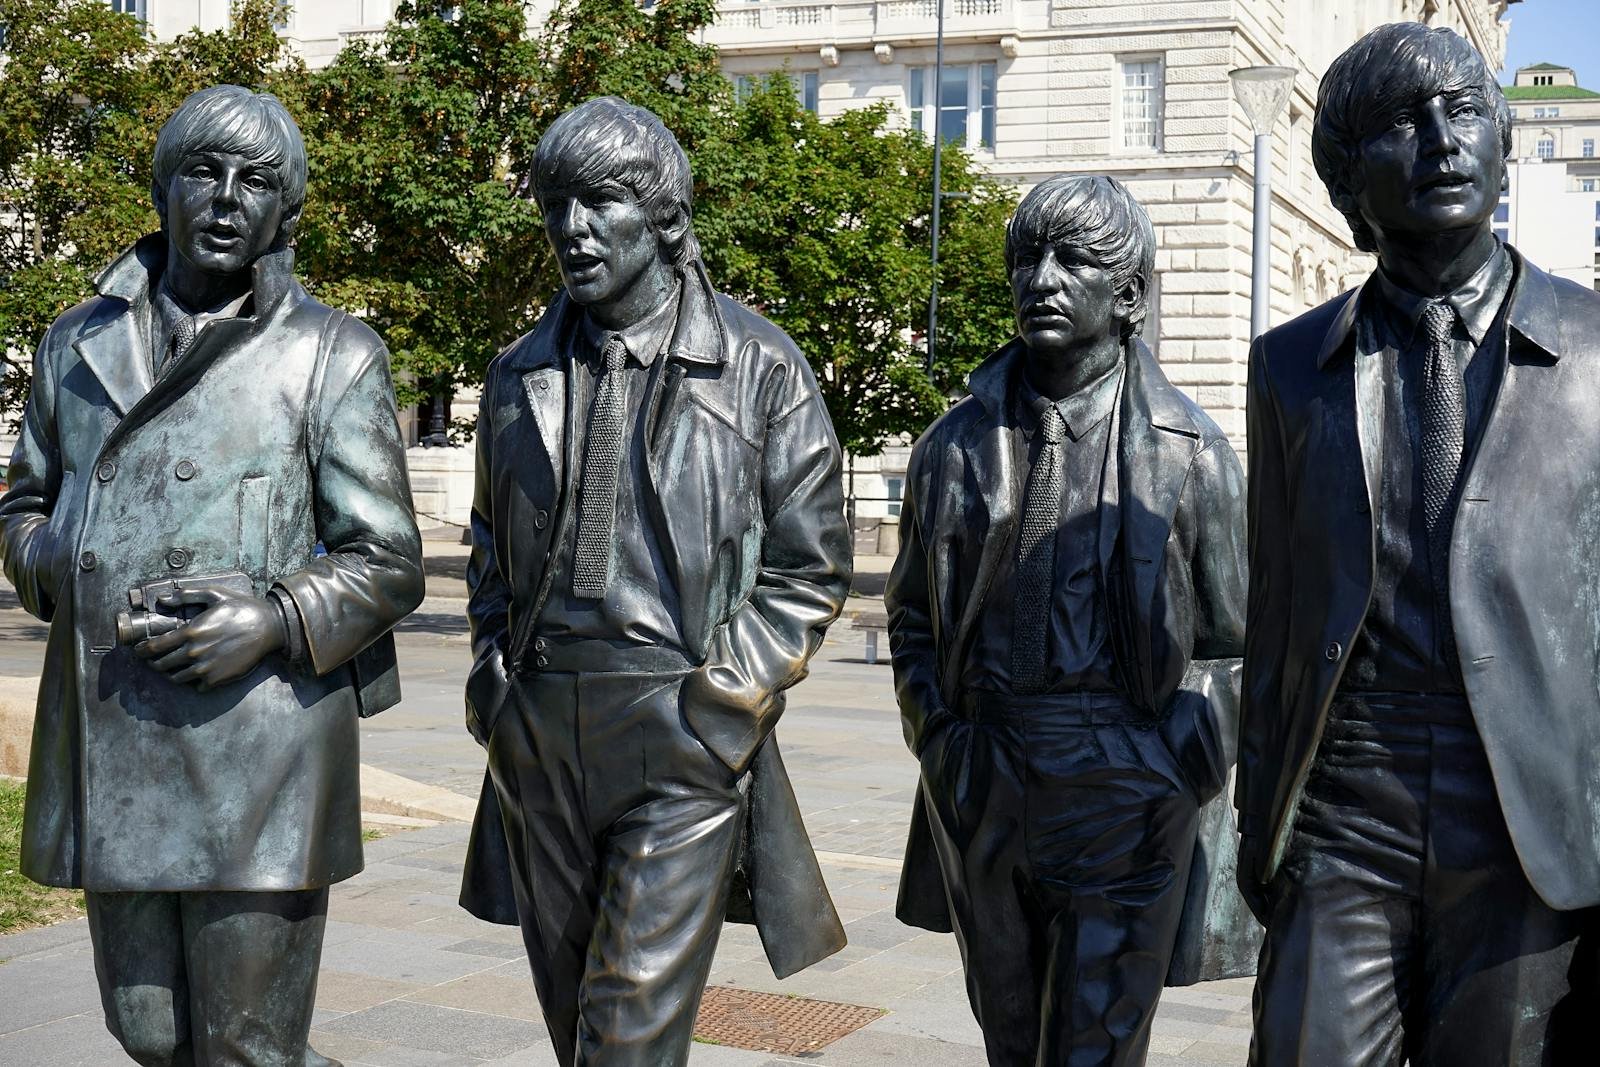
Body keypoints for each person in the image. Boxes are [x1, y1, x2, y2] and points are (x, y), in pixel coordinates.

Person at [0, 84, 424, 1067]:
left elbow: (389, 559)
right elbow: (22, 502)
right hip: (118, 730)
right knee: (146, 1029)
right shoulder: (74, 341)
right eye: (205, 170)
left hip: (263, 737)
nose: (228, 197)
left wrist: (276, 616)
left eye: (259, 181)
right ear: (162, 184)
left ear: (286, 210)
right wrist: (50, 553)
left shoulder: (331, 354)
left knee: (244, 1044)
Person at [455, 96, 851, 1066]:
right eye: (556, 204)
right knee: (576, 1026)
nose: (572, 230)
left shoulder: (758, 367)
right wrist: (489, 677)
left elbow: (811, 564)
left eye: (599, 203)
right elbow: (485, 542)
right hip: (539, 731)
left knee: (623, 1035)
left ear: (664, 217)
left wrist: (722, 700)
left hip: (676, 729)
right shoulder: (517, 375)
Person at [1238, 23, 1600, 1064]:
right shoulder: (1289, 366)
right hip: (1348, 804)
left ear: (1500, 142)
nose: (1442, 140)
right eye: (1403, 121)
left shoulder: (1589, 349)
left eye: (1465, 112)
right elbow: (1275, 611)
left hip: (1532, 816)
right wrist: (1261, 825)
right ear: (1349, 177)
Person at [889, 174, 1249, 1067]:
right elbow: (909, 619)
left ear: (1127, 295)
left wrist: (1171, 765)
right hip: (987, 772)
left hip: (1124, 779)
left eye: (1072, 261)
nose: (1040, 279)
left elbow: (1235, 645)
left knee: (1093, 1045)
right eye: (1026, 259)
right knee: (1010, 1040)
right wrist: (942, 739)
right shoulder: (952, 445)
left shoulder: (1190, 451)